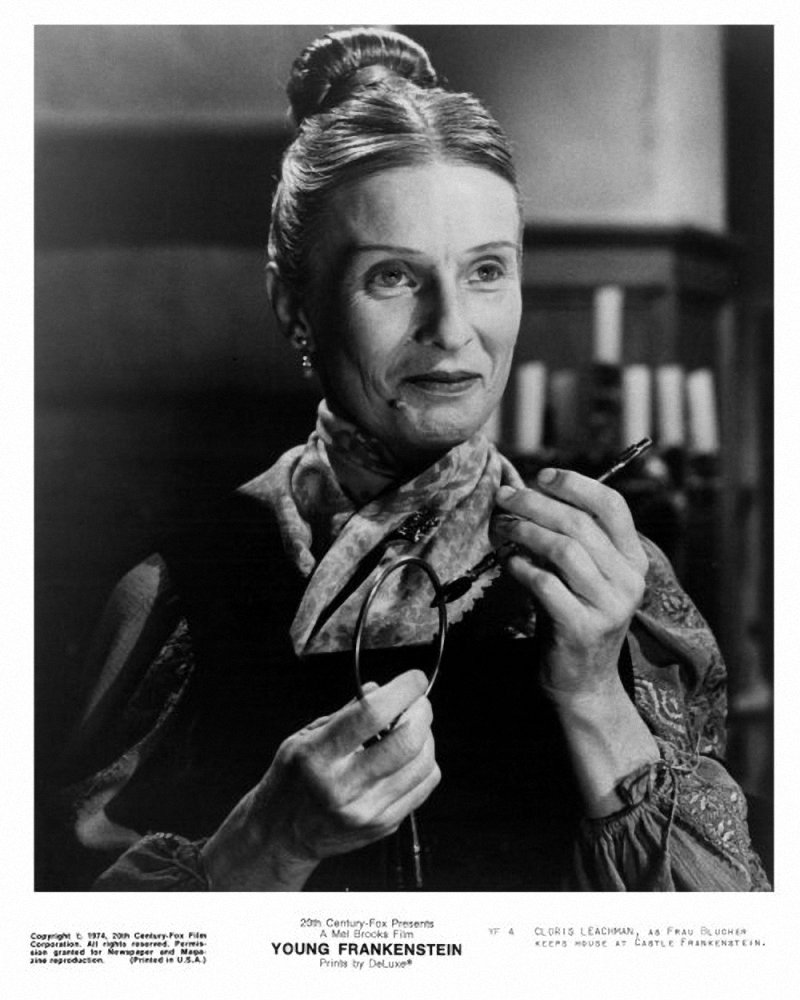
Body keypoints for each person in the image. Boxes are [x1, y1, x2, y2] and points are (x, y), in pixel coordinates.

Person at [44, 27, 769, 892]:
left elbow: (725, 933)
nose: (453, 330)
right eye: (393, 276)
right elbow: (74, 938)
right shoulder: (175, 595)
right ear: (295, 305)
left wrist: (591, 693)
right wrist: (268, 842)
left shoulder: (612, 584)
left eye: (487, 271)